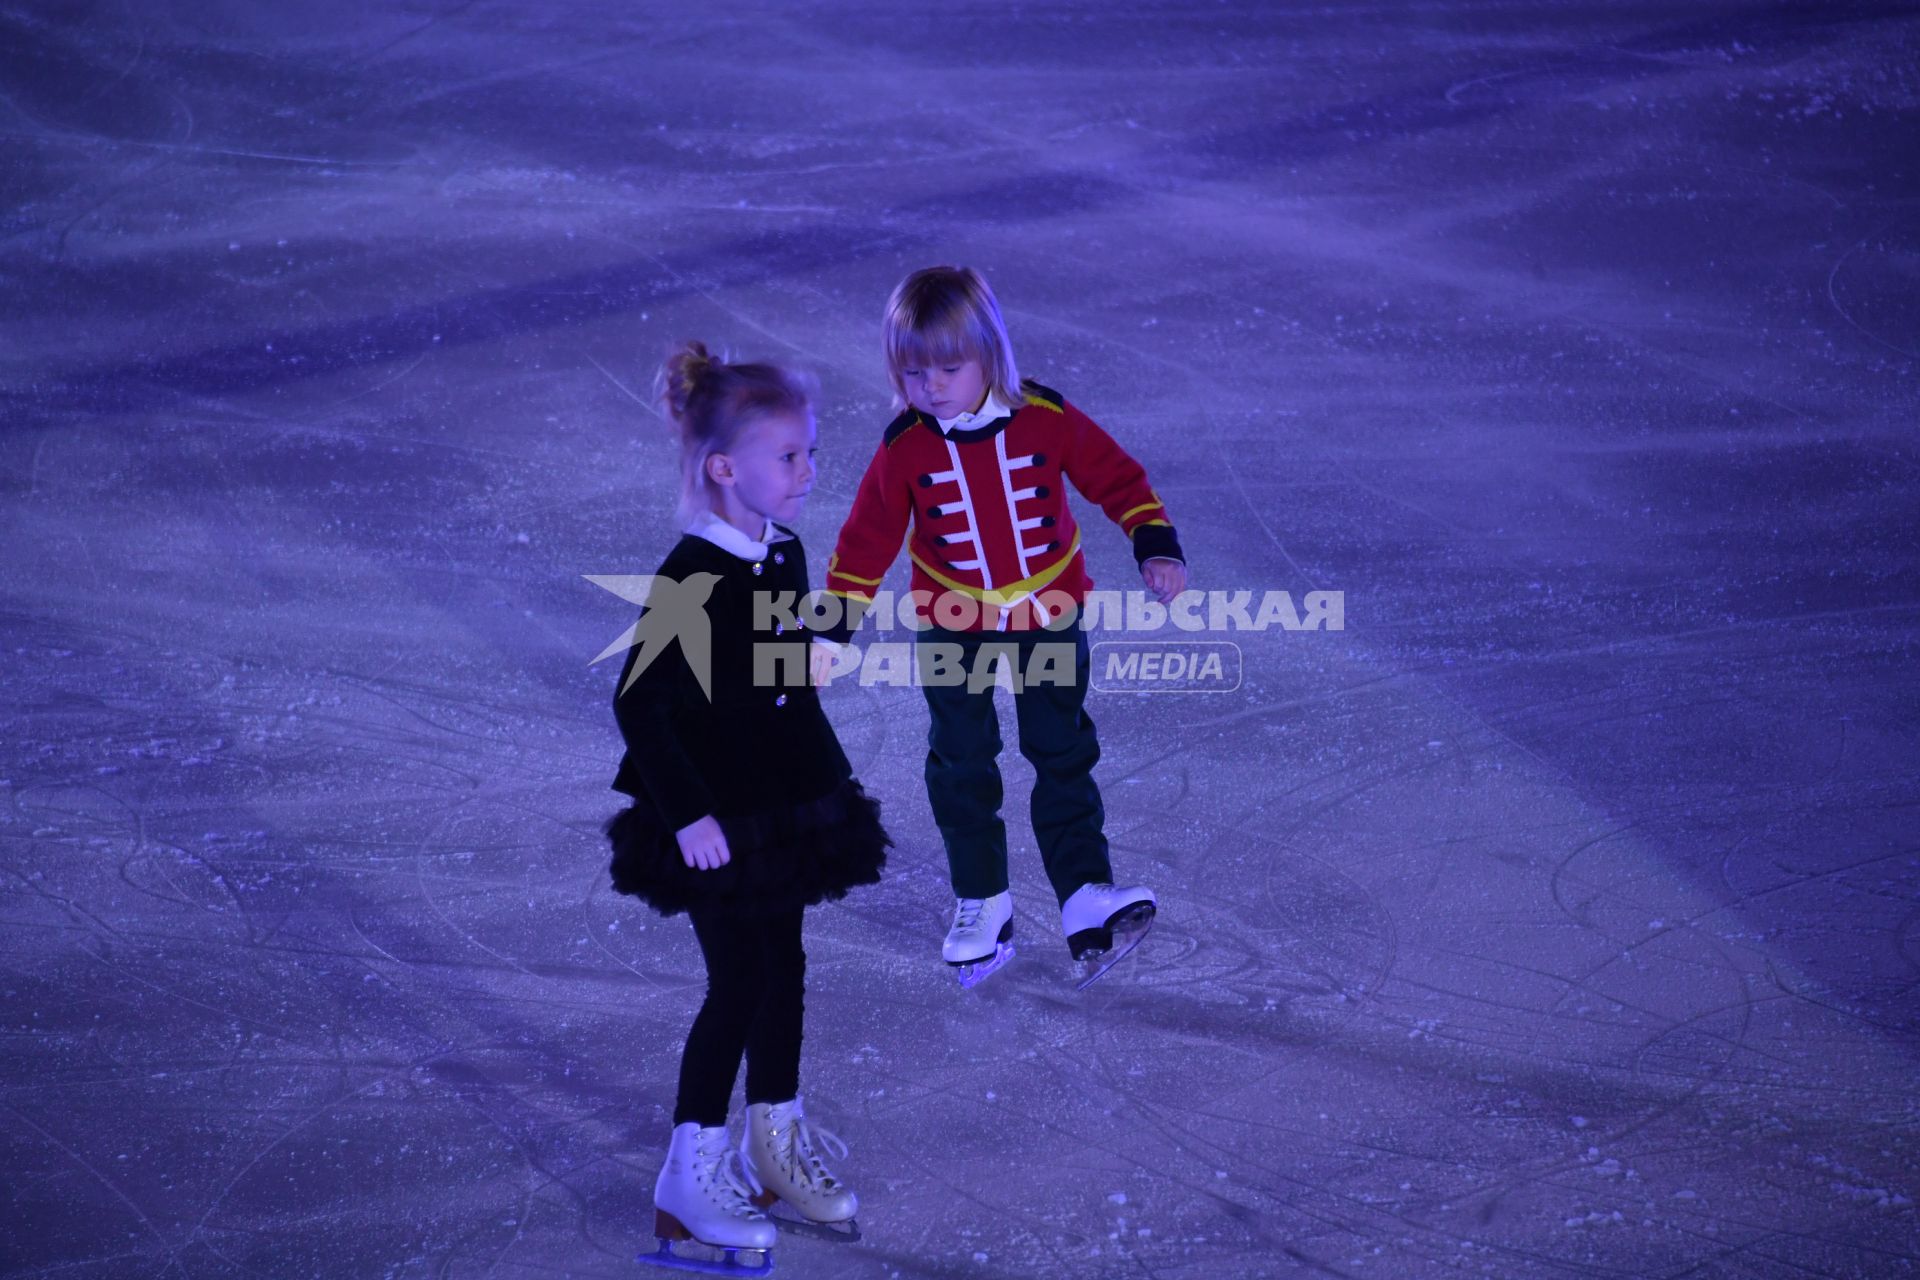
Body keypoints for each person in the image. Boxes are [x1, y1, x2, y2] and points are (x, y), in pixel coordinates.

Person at [811, 265, 1187, 988]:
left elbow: (1116, 475)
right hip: (953, 623)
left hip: (1049, 612)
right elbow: (864, 542)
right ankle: (982, 899)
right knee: (960, 757)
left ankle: (1084, 894)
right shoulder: (904, 449)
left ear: (991, 355)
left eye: (950, 368)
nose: (933, 386)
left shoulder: (1045, 416)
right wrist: (831, 631)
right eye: (915, 372)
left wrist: (1153, 540)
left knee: (1061, 748)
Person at [605, 341, 888, 1267]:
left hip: (782, 799)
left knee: (786, 970)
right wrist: (689, 817)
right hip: (711, 818)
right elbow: (640, 702)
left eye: (809, 451)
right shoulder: (690, 576)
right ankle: (688, 1174)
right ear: (725, 469)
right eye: (791, 456)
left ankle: (774, 1137)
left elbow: (763, 660)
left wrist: (798, 659)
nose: (810, 471)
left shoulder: (783, 549)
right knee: (739, 983)